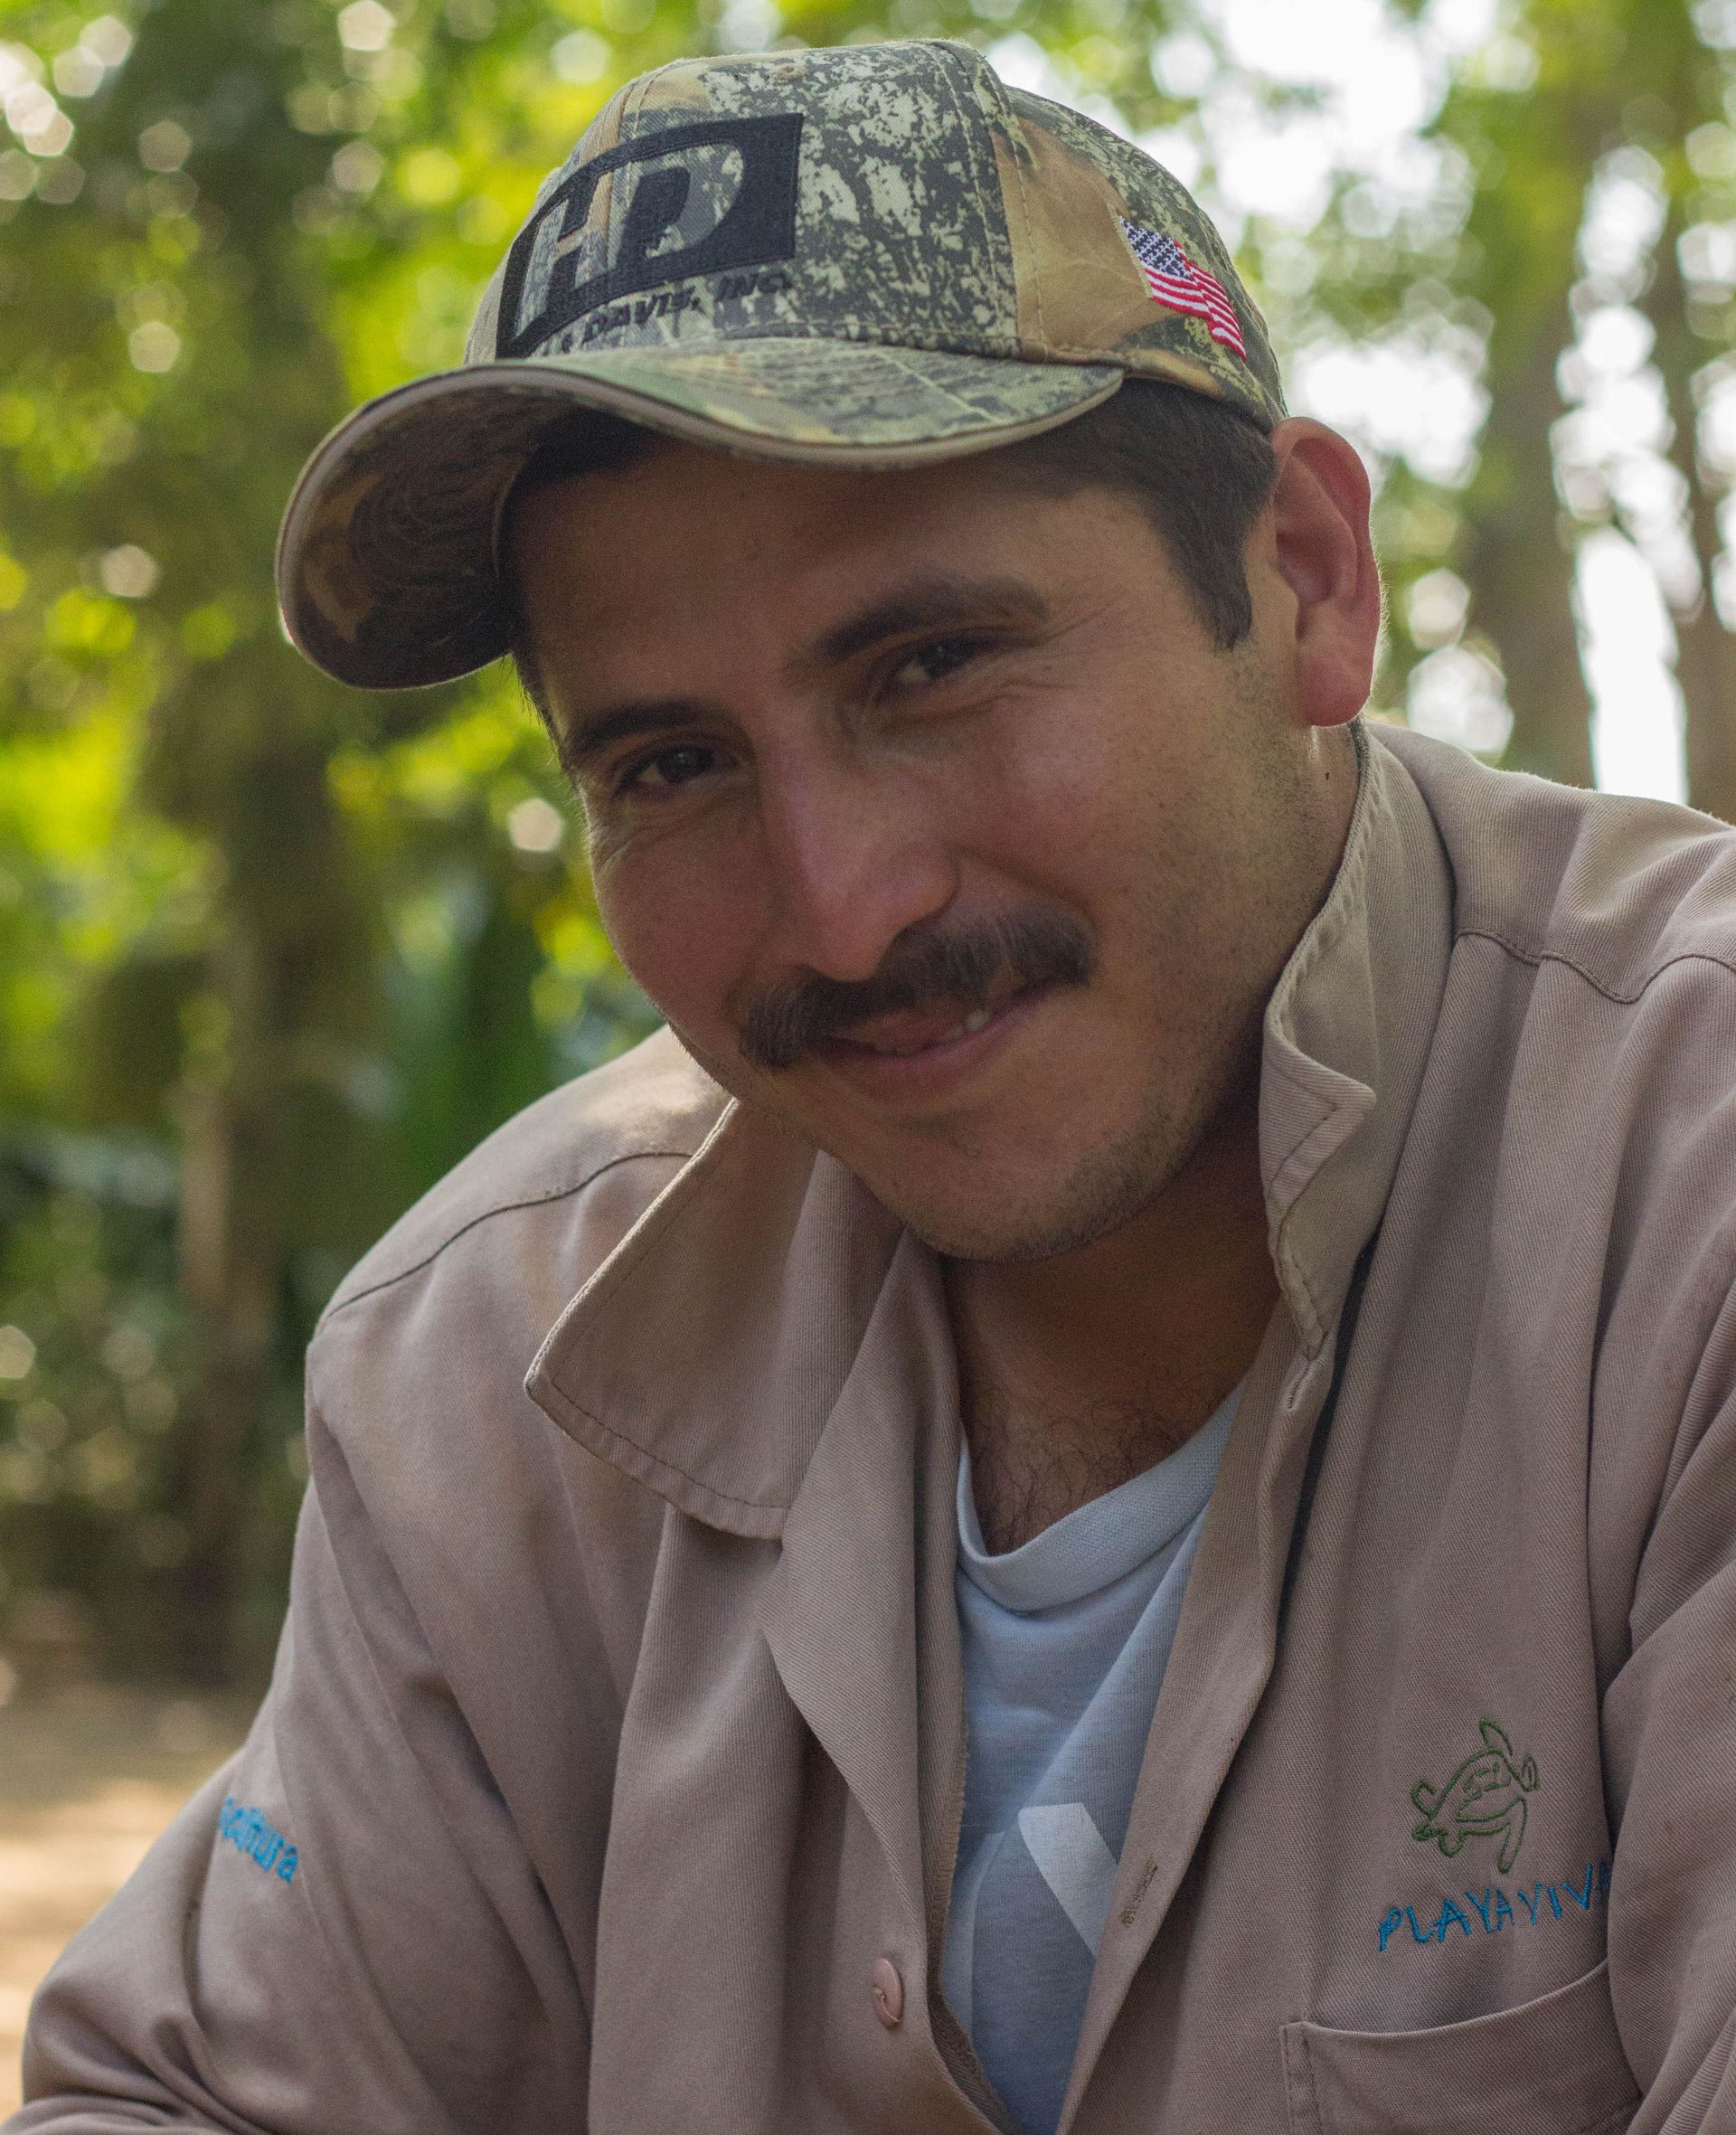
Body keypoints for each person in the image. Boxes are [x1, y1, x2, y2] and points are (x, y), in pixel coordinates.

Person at [13, 33, 1736, 2135]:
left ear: (1304, 576)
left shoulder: (1681, 1180)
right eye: (673, 763)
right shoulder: (492, 1371)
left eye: (930, 665)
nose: (839, 912)